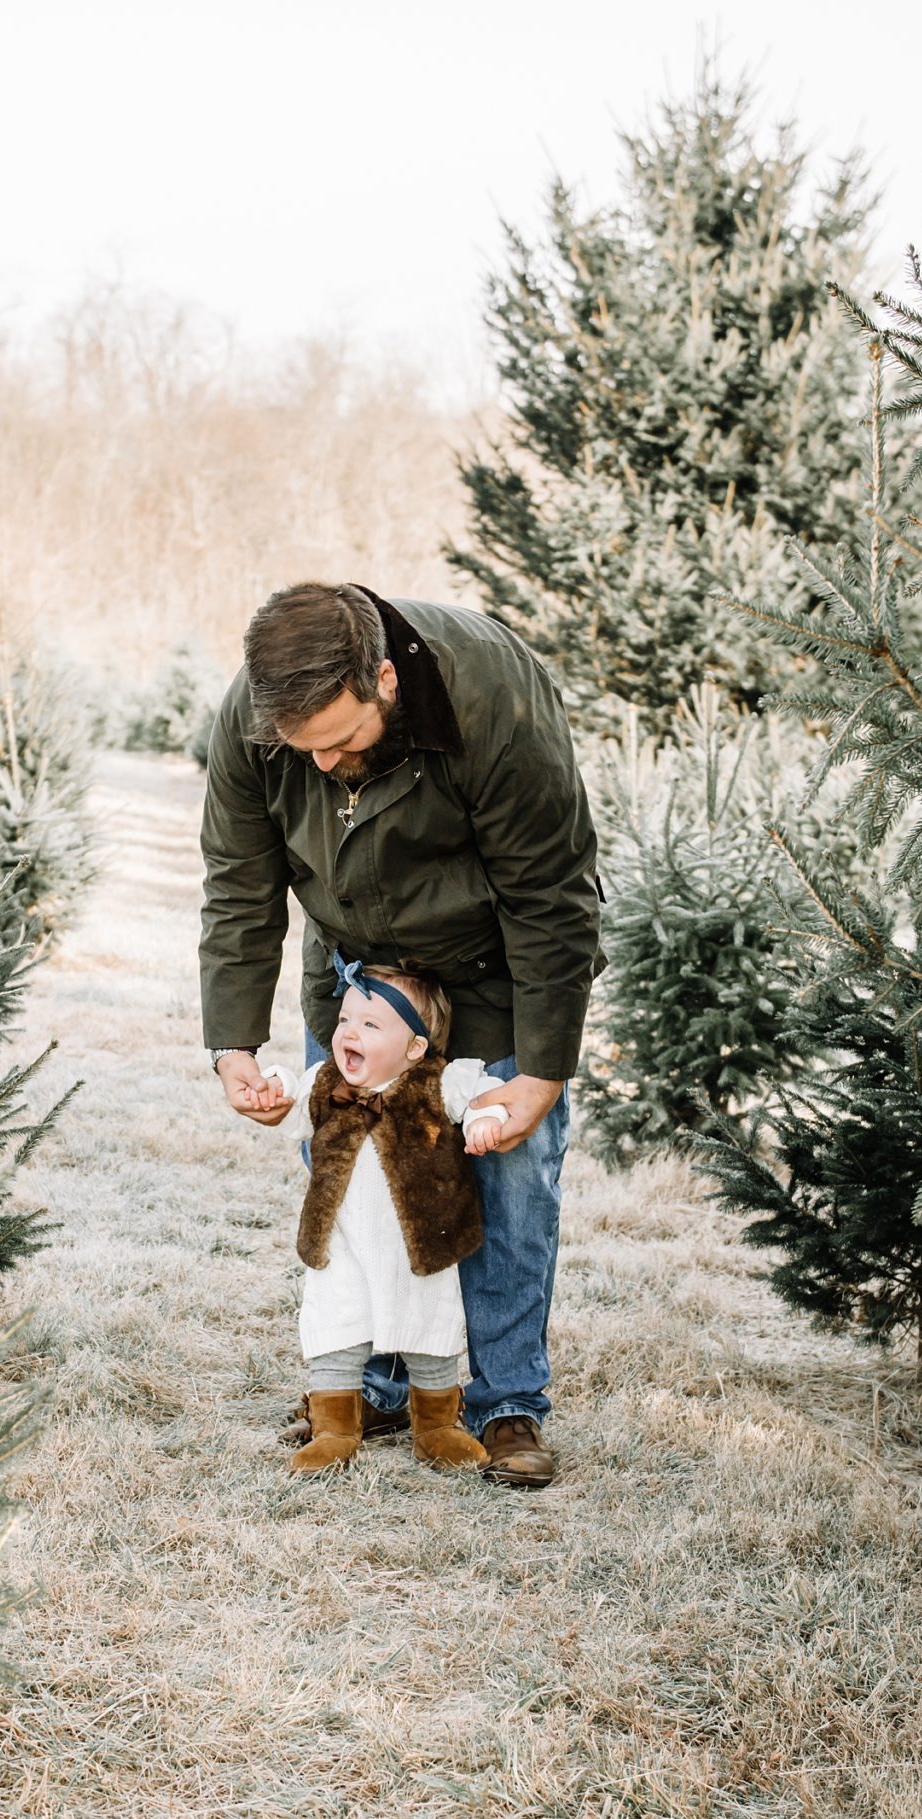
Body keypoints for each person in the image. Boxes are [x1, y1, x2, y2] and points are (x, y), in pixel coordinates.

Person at [200, 582, 603, 1488]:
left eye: (345, 738)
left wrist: (539, 1075)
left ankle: (505, 1405)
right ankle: (378, 1383)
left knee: (506, 1176)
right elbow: (238, 884)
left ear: (383, 678)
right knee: (355, 1181)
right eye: (308, 752)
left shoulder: (492, 693)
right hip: (356, 984)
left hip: (491, 968)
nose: (332, 764)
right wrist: (233, 1047)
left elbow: (552, 894)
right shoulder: (257, 718)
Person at [256, 955, 508, 1476]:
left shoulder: (438, 1082)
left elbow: (484, 1094)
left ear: (415, 1047)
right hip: (341, 1242)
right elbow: (291, 1100)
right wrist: (275, 1084)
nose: (350, 1032)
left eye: (371, 1024)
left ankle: (436, 1426)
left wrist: (488, 1117)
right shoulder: (326, 1083)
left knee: (430, 1326)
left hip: (418, 1244)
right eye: (345, 1019)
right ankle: (334, 1429)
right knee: (335, 1323)